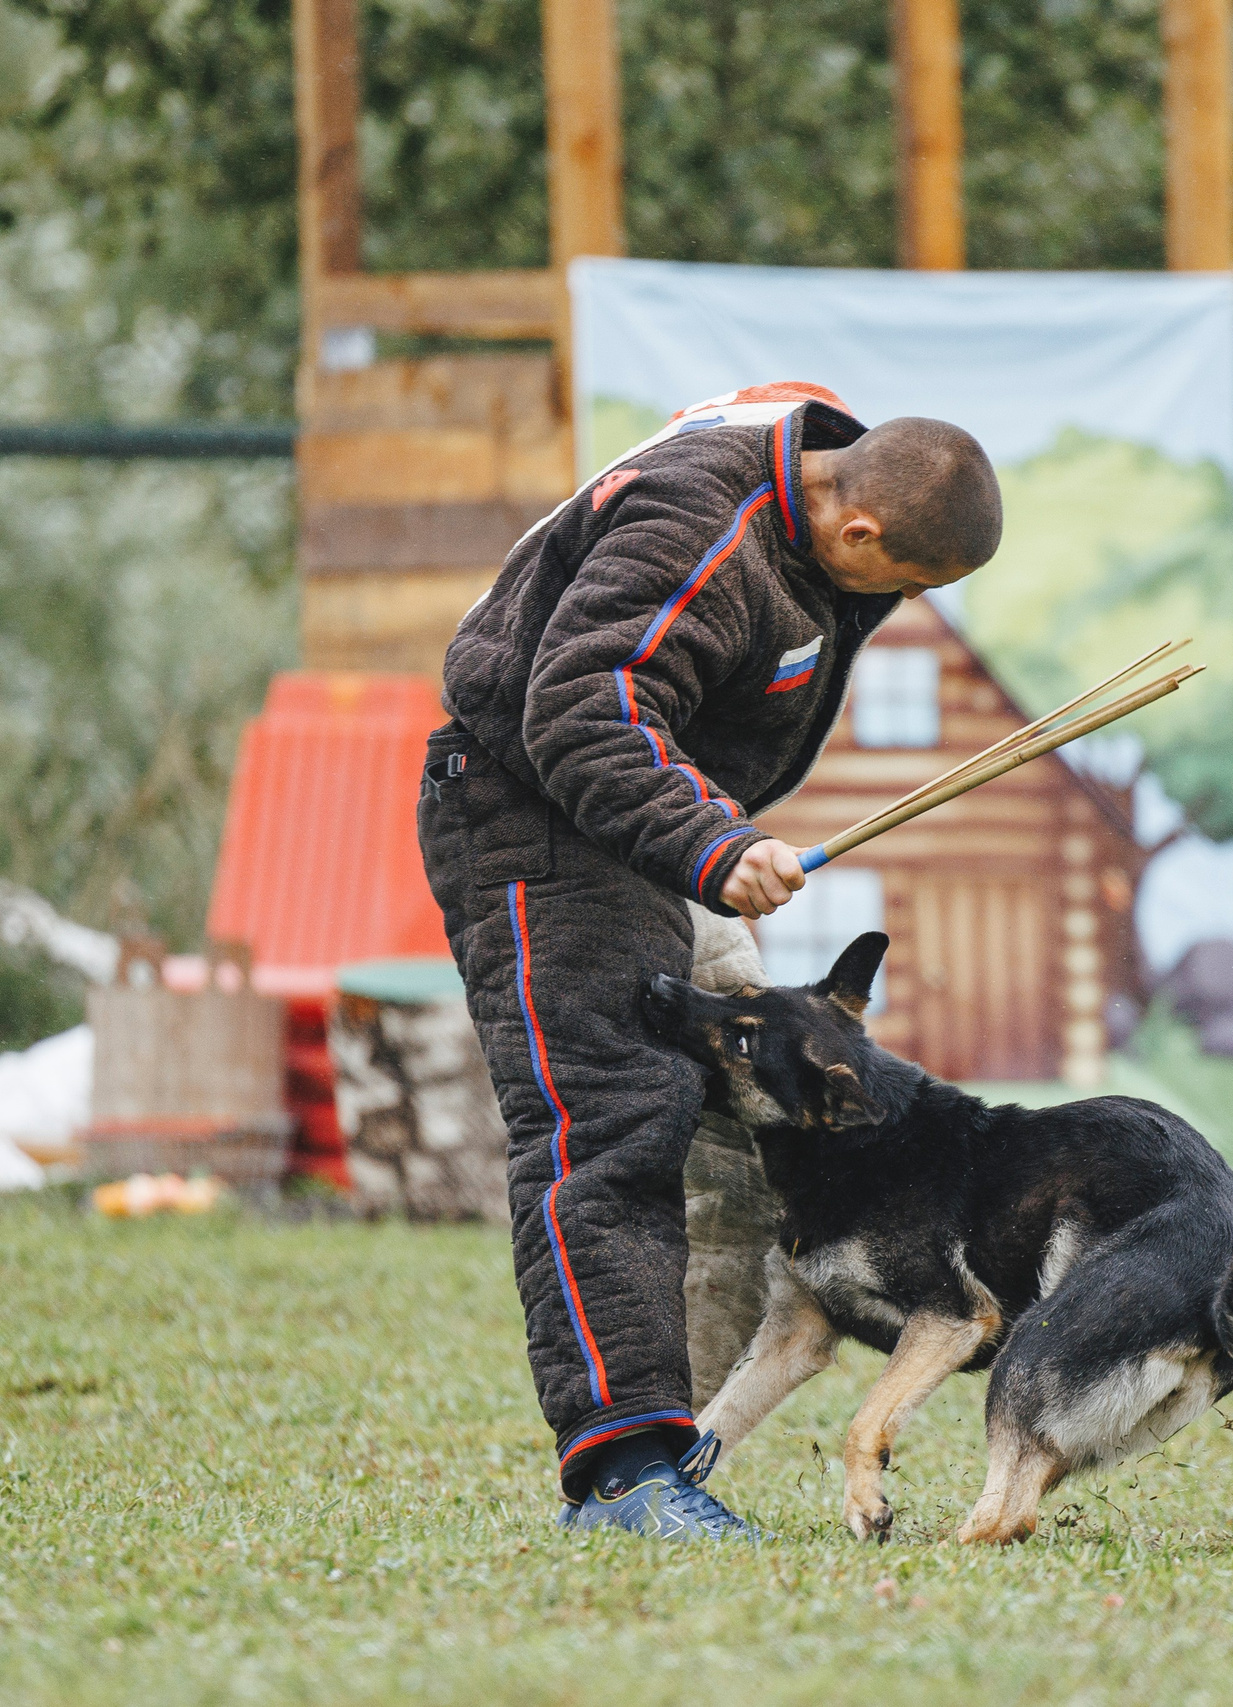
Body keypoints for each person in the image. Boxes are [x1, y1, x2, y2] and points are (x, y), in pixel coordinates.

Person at [419, 382, 1001, 1538]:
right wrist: (717, 847)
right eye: (911, 582)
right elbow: (580, 709)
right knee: (612, 1123)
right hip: (536, 818)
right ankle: (623, 1477)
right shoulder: (702, 530)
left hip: (655, 830)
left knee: (756, 1129)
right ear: (857, 529)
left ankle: (682, 1448)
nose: (910, 604)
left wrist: (703, 840)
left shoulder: (814, 475)